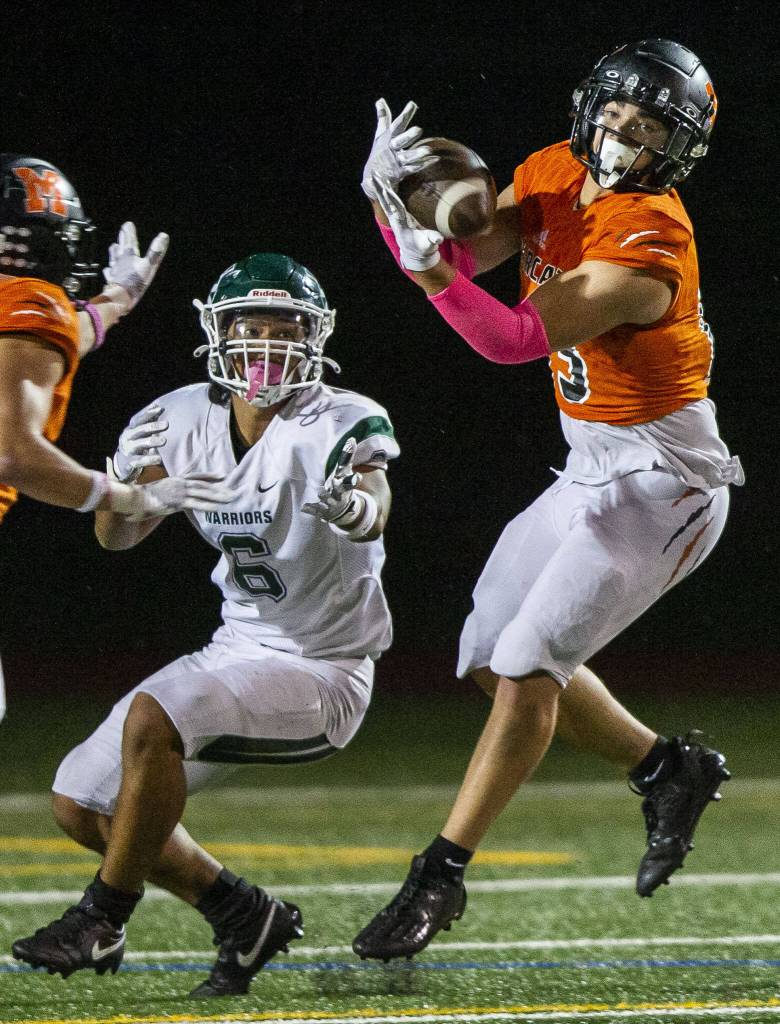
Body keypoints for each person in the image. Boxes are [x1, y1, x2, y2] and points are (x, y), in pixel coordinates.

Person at [352, 38, 742, 962]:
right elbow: (464, 254)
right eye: (615, 111)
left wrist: (428, 267)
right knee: (488, 659)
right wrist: (387, 203)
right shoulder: (555, 169)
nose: (621, 134)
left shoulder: (654, 235)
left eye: (649, 127)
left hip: (665, 482)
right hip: (588, 466)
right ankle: (665, 768)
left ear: (676, 148)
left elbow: (512, 337)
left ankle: (439, 875)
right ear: (589, 104)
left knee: (528, 670)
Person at [11, 253, 399, 996]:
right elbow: (113, 540)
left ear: (316, 336)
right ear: (217, 333)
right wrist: (136, 501)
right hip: (237, 648)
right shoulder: (177, 417)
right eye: (250, 326)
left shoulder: (340, 418)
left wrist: (354, 509)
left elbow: (374, 497)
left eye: (286, 327)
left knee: (157, 720)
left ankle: (101, 918)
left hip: (325, 667)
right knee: (79, 801)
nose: (266, 345)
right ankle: (242, 912)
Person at [0, 154, 236, 722]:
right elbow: (10, 452)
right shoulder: (32, 304)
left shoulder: (33, 316)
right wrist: (121, 496)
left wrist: (117, 300)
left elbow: (41, 343)